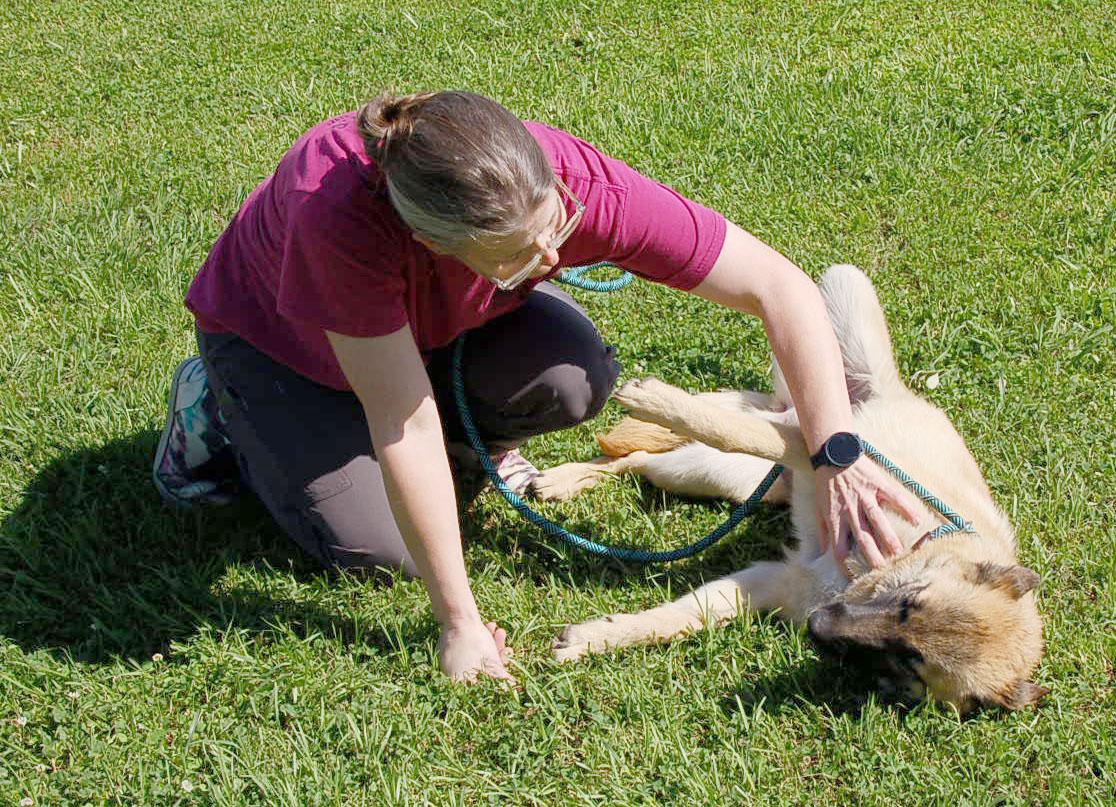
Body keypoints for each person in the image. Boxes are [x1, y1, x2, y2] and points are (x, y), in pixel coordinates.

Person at [153, 90, 923, 684]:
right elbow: (404, 423)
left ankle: (464, 432)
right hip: (286, 350)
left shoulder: (560, 185)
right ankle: (215, 413)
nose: (554, 250)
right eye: (524, 255)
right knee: (379, 553)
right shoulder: (340, 223)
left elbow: (780, 287)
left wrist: (837, 450)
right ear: (431, 244)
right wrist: (458, 621)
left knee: (571, 374)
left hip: (431, 323)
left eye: (555, 224)